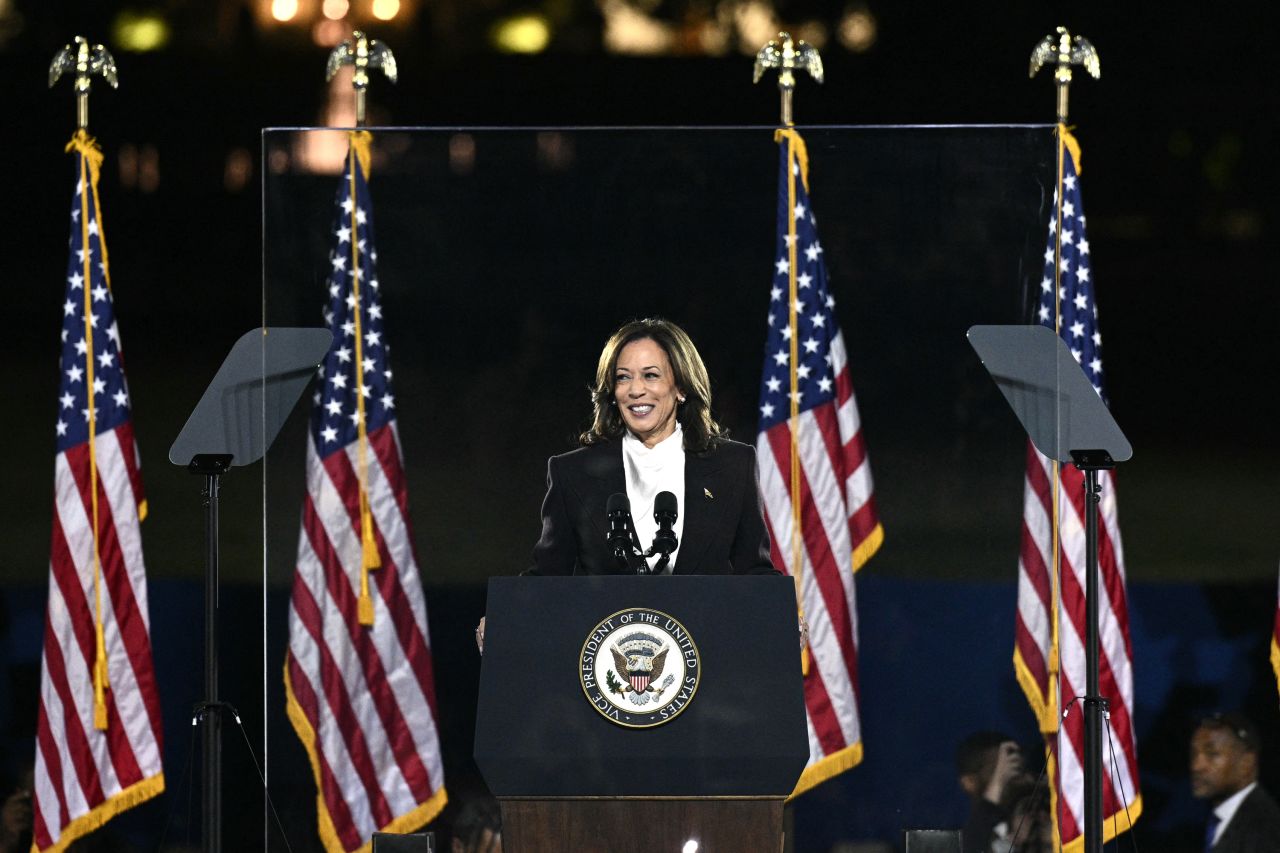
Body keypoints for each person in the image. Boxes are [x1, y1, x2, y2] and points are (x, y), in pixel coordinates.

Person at [525, 317, 776, 577]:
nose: (635, 390)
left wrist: (784, 616)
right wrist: (502, 616)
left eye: (650, 375)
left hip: (704, 618)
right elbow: (545, 578)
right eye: (623, 377)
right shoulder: (572, 472)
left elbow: (756, 574)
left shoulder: (734, 465)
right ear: (612, 391)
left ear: (681, 387)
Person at [1190, 712, 1280, 852]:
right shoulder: (1198, 827)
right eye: (1194, 754)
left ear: (1246, 762)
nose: (1196, 766)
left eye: (1212, 754)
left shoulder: (1266, 831)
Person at [955, 732, 1033, 853]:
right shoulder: (969, 830)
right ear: (970, 782)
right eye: (996, 769)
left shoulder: (1035, 826)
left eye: (1013, 768)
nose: (1008, 776)